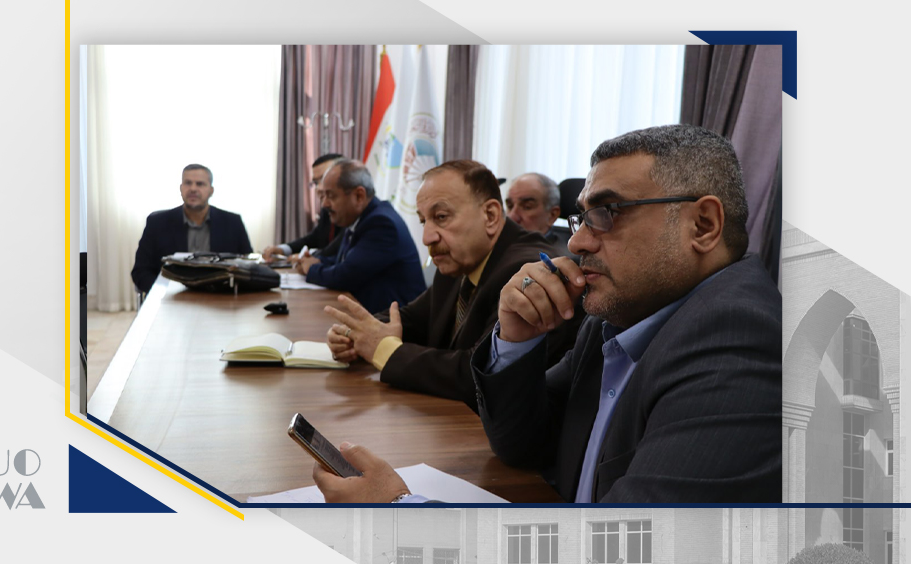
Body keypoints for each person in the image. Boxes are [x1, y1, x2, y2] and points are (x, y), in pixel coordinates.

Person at [312, 125, 781, 503]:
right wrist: (515, 340)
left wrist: (399, 509)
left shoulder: (738, 342)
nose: (576, 242)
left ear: (703, 225)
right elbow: (521, 445)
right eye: (583, 217)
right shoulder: (613, 322)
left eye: (608, 212)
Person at [324, 160, 583, 409]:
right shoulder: (458, 258)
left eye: (441, 216)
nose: (427, 237)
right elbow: (410, 320)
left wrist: (384, 350)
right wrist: (357, 334)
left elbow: (480, 372)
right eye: (424, 221)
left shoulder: (525, 272)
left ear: (490, 216)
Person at [293, 159, 426, 314]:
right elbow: (346, 261)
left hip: (395, 323)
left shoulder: (381, 224)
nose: (325, 204)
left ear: (359, 196)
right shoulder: (360, 218)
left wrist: (311, 268)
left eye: (331, 196)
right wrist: (318, 261)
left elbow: (345, 276)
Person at [131, 164, 252, 293]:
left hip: (220, 297)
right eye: (188, 183)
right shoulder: (157, 222)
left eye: (200, 184)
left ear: (211, 191)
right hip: (171, 297)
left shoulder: (233, 222)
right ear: (181, 188)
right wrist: (165, 292)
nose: (193, 189)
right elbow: (141, 271)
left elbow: (249, 269)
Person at [262, 153, 345, 261]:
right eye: (316, 183)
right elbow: (314, 238)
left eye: (324, 179)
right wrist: (282, 249)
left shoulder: (354, 213)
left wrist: (306, 256)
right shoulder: (326, 208)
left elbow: (336, 250)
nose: (319, 188)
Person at [505, 172, 574, 259]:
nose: (512, 217)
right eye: (510, 206)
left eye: (527, 207)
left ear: (552, 215)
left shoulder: (558, 260)